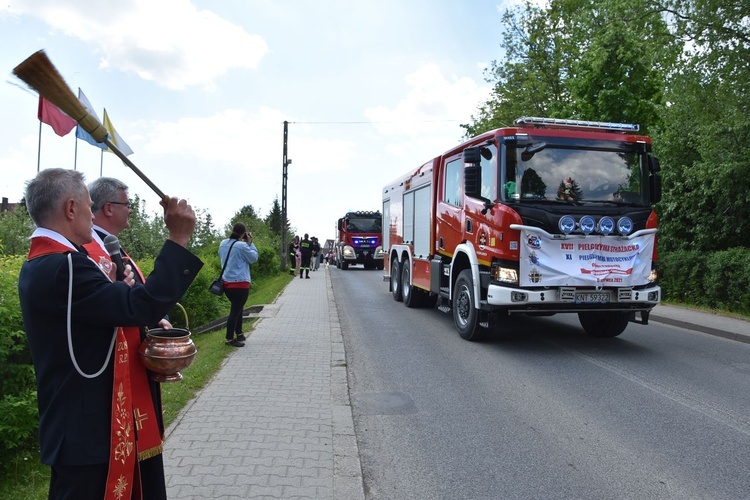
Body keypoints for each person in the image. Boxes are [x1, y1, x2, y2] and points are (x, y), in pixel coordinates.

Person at [18, 168, 203, 500]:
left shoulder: (44, 263)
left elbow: (110, 314)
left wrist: (118, 294)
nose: (93, 214)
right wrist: (178, 239)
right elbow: (141, 306)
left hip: (78, 429)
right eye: (90, 206)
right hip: (88, 433)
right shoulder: (67, 267)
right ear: (71, 208)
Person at [84, 177, 171, 499]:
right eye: (127, 205)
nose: (131, 211)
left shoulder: (111, 246)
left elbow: (134, 300)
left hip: (135, 361)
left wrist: (154, 318)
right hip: (115, 374)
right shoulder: (94, 251)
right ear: (109, 208)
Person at [218, 222, 259, 347]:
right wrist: (250, 243)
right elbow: (253, 258)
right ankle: (229, 339)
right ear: (243, 233)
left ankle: (239, 333)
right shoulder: (242, 246)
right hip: (240, 284)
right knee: (235, 311)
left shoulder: (223, 243)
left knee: (238, 308)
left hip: (226, 283)